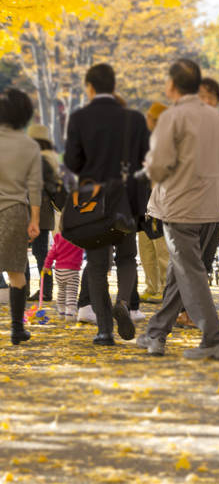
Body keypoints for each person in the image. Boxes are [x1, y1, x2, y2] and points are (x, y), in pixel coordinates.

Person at [136, 59, 219, 359]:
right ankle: (156, 333)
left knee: (190, 275)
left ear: (173, 85)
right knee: (181, 276)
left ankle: (214, 339)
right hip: (211, 206)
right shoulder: (216, 118)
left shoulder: (173, 116)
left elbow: (159, 165)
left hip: (181, 208)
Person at [64, 64, 149, 346]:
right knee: (127, 258)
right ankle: (123, 302)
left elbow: (72, 163)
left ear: (89, 87)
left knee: (98, 266)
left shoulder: (79, 118)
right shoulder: (134, 119)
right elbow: (144, 160)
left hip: (94, 203)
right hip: (125, 199)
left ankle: (104, 331)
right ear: (114, 87)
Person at [0, 88, 42, 345]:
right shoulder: (30, 146)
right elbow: (35, 187)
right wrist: (34, 220)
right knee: (17, 272)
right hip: (15, 213)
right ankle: (17, 328)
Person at [138, 101, 170, 304]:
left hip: (159, 203)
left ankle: (166, 288)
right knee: (145, 249)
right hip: (142, 201)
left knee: (162, 250)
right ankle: (152, 286)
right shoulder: (145, 140)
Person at [25, 123, 60, 302]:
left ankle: (33, 290)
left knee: (34, 252)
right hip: (44, 212)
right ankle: (45, 290)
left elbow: (34, 188)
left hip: (34, 210)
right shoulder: (50, 158)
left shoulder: (37, 159)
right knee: (41, 253)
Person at [43, 226, 84, 320]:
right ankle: (70, 314)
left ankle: (61, 312)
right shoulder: (79, 236)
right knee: (71, 293)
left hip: (59, 270)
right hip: (72, 270)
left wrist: (47, 265)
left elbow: (52, 252)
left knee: (61, 292)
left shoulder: (58, 236)